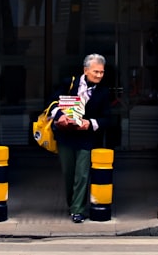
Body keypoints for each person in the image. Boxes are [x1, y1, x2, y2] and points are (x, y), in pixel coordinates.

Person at [50, 53, 111, 223]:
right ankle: (72, 205)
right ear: (86, 70)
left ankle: (78, 209)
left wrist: (90, 123)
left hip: (87, 138)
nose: (99, 75)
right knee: (68, 173)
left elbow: (107, 118)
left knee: (82, 174)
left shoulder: (104, 92)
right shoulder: (69, 83)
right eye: (96, 72)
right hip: (66, 136)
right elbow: (52, 103)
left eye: (102, 72)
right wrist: (60, 116)